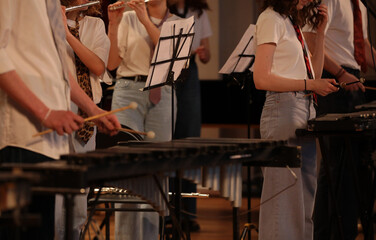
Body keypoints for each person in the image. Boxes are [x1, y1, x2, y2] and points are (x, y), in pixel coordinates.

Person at [0, 0, 120, 239]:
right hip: (21, 137)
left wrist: (93, 111)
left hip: (50, 143)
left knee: (44, 231)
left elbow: (61, 71)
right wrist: (45, 113)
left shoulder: (53, 5)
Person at [253, 0, 338, 239]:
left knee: (304, 196)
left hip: (304, 106)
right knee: (284, 198)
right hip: (284, 107)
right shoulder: (270, 19)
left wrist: (320, 34)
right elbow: (261, 79)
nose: (309, 0)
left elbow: (315, 75)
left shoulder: (291, 22)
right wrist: (310, 84)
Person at [107, 0, 180, 239]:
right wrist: (114, 23)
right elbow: (111, 64)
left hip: (164, 92)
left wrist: (145, 21)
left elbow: (170, 58)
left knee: (157, 171)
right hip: (129, 89)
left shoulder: (179, 24)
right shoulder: (128, 18)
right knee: (127, 169)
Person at [303, 0, 376, 239]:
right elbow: (311, 41)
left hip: (353, 76)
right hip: (332, 78)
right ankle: (330, 233)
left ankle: (336, 232)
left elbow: (362, 45)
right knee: (337, 163)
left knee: (351, 163)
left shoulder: (361, 5)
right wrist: (342, 74)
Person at [54, 0, 112, 239]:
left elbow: (98, 66)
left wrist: (67, 34)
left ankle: (75, 234)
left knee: (80, 188)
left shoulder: (95, 24)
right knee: (58, 185)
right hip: (59, 107)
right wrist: (58, 26)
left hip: (89, 109)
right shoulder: (49, 20)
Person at [166, 0, 211, 232]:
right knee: (168, 139)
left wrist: (203, 53)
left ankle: (188, 212)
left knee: (190, 140)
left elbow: (207, 54)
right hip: (167, 70)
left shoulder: (198, 12)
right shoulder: (164, 10)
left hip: (190, 72)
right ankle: (167, 209)